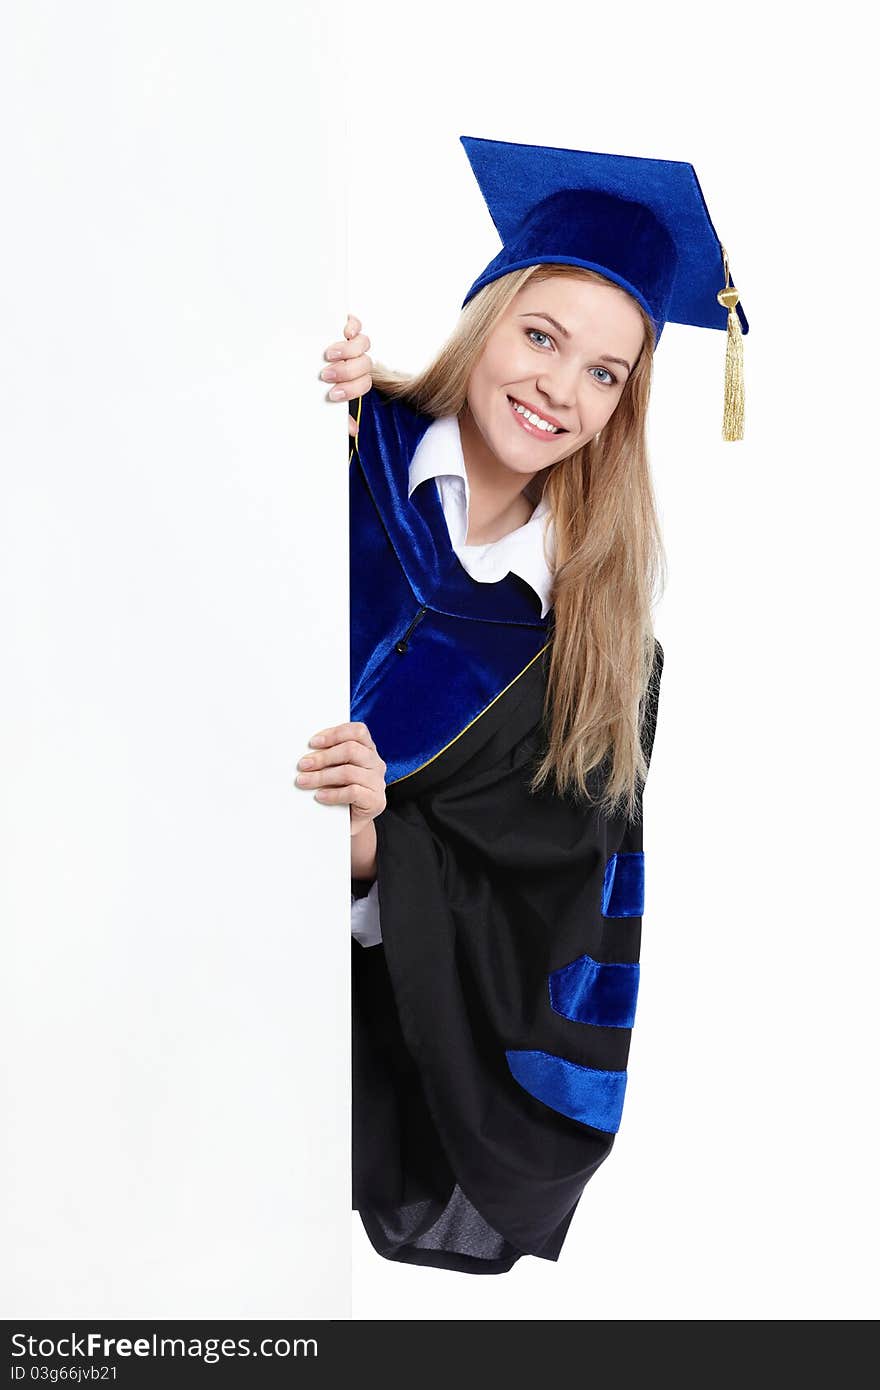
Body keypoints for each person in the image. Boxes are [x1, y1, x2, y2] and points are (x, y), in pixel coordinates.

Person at [296, 136, 748, 1274]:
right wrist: (284, 377)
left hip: (299, 1043)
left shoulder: (597, 665)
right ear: (481, 317)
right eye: (541, 335)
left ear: (625, 406)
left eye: (604, 372)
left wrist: (368, 854)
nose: (559, 386)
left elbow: (545, 928)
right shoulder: (334, 444)